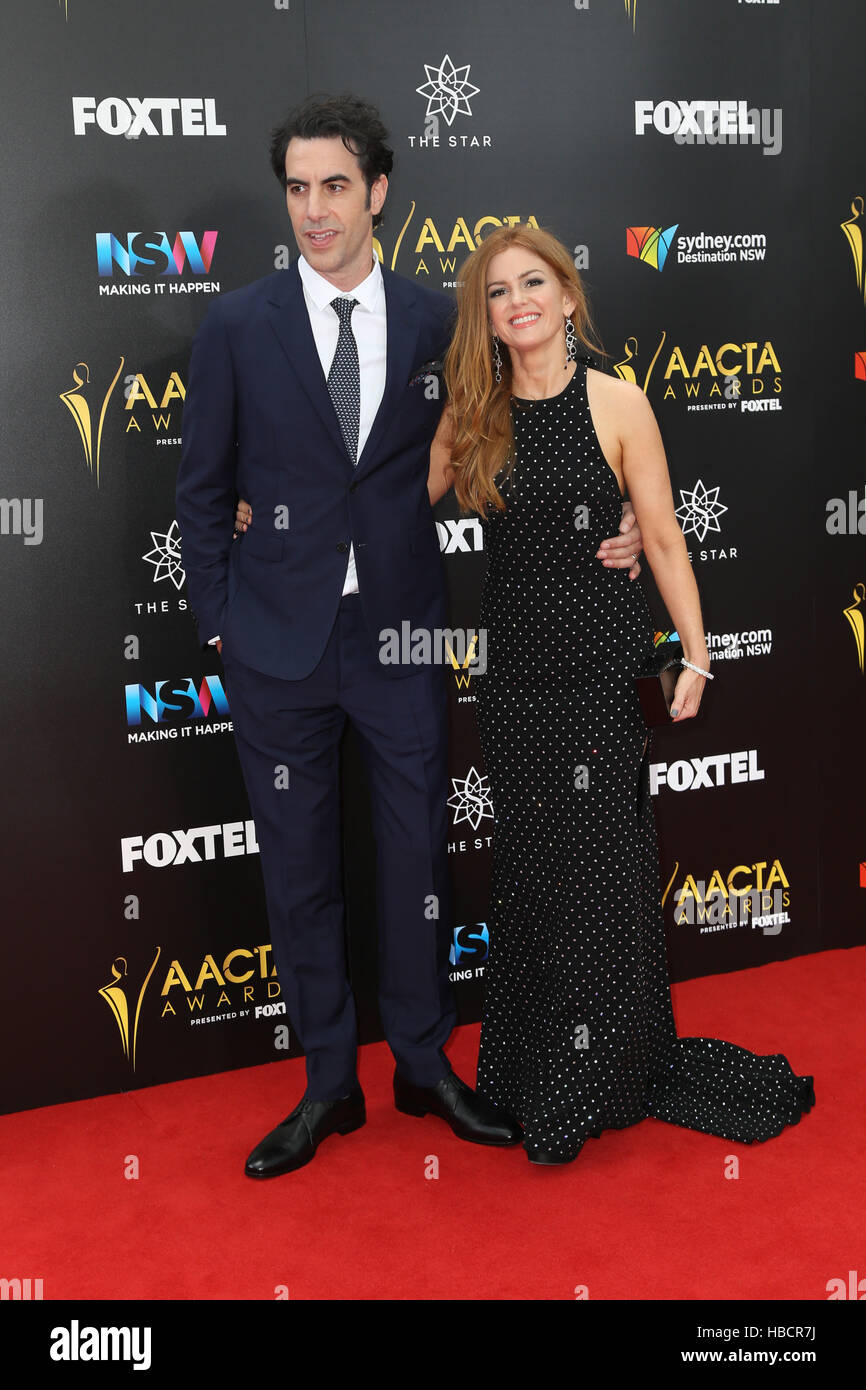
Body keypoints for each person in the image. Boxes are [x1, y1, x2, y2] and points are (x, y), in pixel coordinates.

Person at [176, 96, 646, 1179]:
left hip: (400, 638)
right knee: (298, 869)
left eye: (334, 186)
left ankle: (423, 1064)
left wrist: (620, 514)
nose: (313, 210)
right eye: (295, 189)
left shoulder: (445, 316)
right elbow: (199, 495)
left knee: (413, 855)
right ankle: (328, 1084)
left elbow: (541, 416)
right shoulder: (237, 326)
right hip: (276, 646)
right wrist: (221, 623)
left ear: (377, 192)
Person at [426, 222, 813, 1164]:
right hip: (516, 674)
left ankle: (594, 1079)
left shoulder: (621, 401)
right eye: (496, 292)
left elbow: (666, 535)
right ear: (486, 316)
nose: (516, 302)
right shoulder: (473, 409)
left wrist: (698, 652)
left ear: (567, 295)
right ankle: (527, 1071)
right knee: (532, 873)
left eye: (533, 283)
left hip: (598, 667)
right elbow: (399, 496)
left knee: (600, 873)